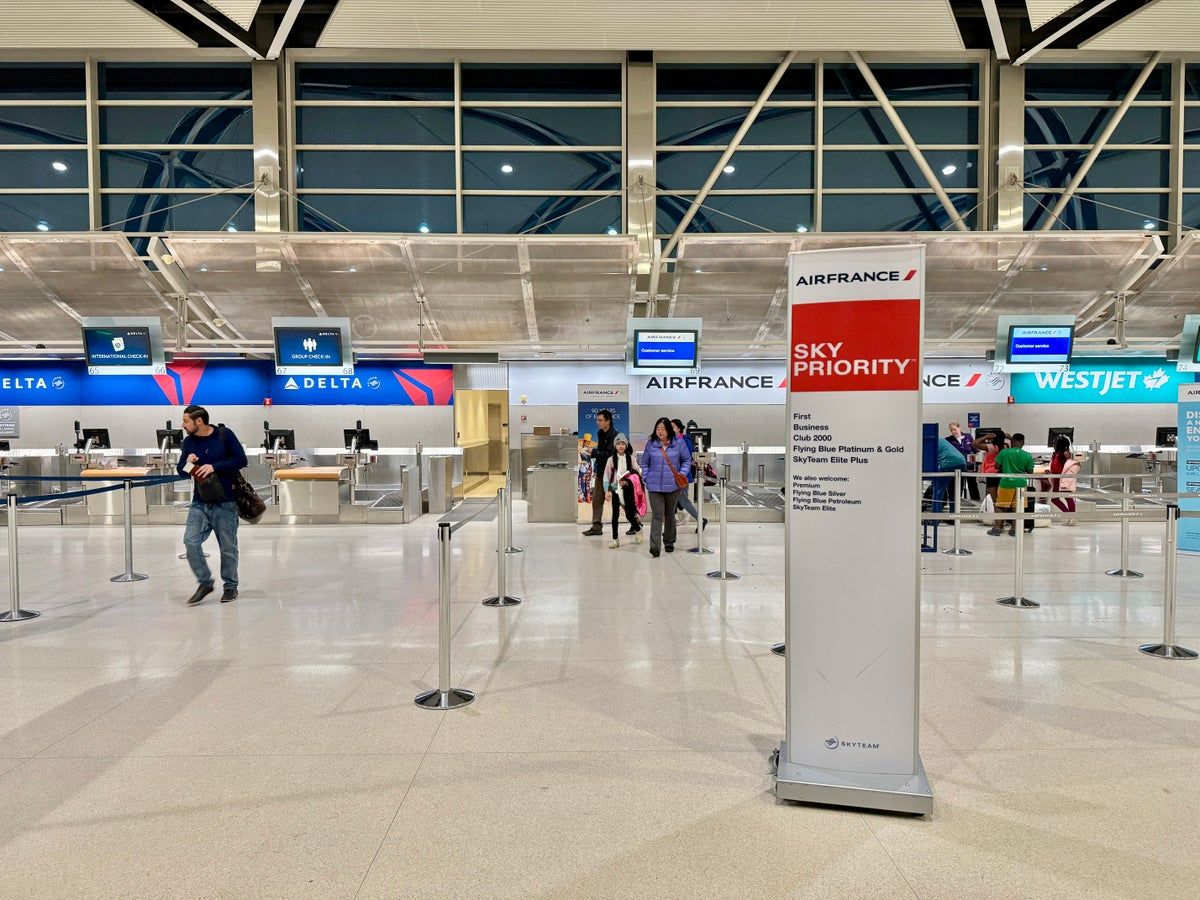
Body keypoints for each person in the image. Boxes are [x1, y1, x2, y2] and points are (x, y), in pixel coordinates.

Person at [177, 405, 248, 604]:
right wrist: (188, 462)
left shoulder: (224, 435)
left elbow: (241, 460)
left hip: (226, 502)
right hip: (200, 502)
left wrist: (214, 467)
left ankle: (230, 586)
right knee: (190, 542)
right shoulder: (189, 442)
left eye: (186, 421)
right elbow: (181, 471)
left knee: (227, 547)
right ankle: (205, 582)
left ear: (199, 421)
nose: (183, 425)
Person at [641, 416, 692, 558]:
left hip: (673, 486)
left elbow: (687, 460)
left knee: (670, 514)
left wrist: (681, 474)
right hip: (654, 486)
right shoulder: (651, 444)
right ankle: (655, 546)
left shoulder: (679, 443)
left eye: (663, 429)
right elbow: (644, 462)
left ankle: (669, 542)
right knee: (657, 515)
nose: (660, 431)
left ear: (669, 430)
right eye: (658, 428)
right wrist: (646, 476)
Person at [990, 431, 1035, 537]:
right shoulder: (1027, 455)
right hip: (1021, 483)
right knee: (1017, 507)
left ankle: (997, 528)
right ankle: (1014, 529)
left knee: (1001, 506)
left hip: (1006, 483)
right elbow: (1030, 472)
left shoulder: (1004, 452)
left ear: (1012, 441)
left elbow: (996, 466)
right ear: (1023, 442)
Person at [603, 433, 643, 548]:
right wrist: (607, 491)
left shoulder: (631, 459)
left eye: (623, 444)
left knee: (629, 515)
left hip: (628, 490)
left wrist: (627, 481)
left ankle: (638, 529)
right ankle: (615, 539)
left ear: (626, 445)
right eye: (618, 444)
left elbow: (637, 473)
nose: (620, 446)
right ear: (615, 446)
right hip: (615, 490)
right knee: (615, 515)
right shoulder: (611, 459)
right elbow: (606, 476)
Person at [582, 409, 615, 537]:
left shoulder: (615, 436)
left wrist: (594, 452)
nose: (598, 422)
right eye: (597, 420)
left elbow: (610, 455)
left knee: (621, 500)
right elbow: (602, 452)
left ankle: (635, 522)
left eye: (600, 420)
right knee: (597, 499)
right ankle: (596, 526)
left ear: (608, 421)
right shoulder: (600, 433)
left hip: (613, 473)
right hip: (601, 472)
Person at [670, 418, 707, 533]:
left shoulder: (685, 440)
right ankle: (670, 528)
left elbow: (686, 457)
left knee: (683, 500)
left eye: (672, 427)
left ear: (679, 428)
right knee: (673, 500)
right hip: (672, 475)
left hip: (682, 476)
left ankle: (700, 519)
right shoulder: (671, 440)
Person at [1048, 433, 1080, 526]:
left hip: (1063, 478)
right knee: (1056, 499)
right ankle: (1071, 516)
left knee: (1067, 498)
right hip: (1057, 478)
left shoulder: (1065, 454)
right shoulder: (1056, 454)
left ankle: (1072, 518)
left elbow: (1072, 465)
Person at [946, 422, 980, 502]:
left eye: (954, 429)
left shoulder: (968, 436)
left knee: (972, 483)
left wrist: (979, 456)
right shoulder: (949, 440)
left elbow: (974, 449)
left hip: (970, 465)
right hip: (958, 465)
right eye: (951, 430)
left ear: (959, 428)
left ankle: (976, 500)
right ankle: (958, 501)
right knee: (958, 483)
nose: (953, 432)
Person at [934, 437, 967, 519]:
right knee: (954, 492)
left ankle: (935, 518)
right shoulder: (940, 439)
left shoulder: (928, 441)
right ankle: (954, 518)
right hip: (961, 462)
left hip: (947, 463)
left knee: (938, 490)